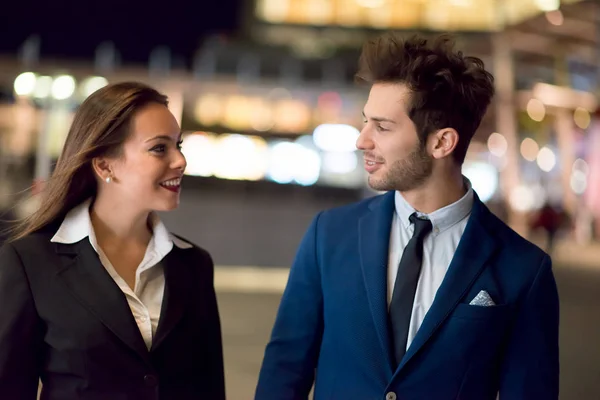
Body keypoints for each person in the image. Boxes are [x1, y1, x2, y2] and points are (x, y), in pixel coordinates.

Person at [256, 33, 559, 400]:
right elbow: (284, 372)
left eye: (382, 127)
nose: (361, 140)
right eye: (367, 121)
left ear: (441, 142)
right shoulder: (329, 236)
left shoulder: (523, 269)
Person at [0, 82, 225, 399]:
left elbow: (209, 388)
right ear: (105, 164)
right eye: (159, 148)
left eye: (179, 145)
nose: (180, 161)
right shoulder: (30, 262)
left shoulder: (194, 265)